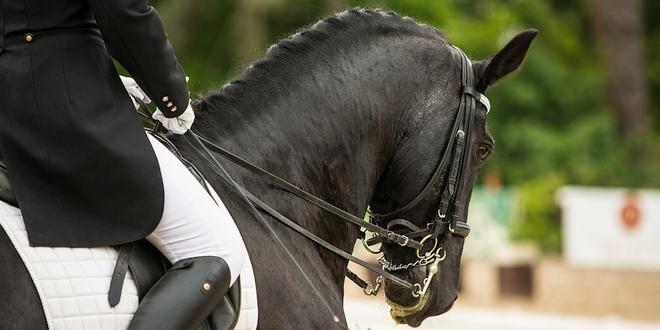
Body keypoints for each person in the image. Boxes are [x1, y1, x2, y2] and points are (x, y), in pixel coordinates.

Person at [0, 0, 247, 329]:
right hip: (61, 110)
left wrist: (95, 69)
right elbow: (123, 13)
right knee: (214, 248)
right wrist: (171, 97)